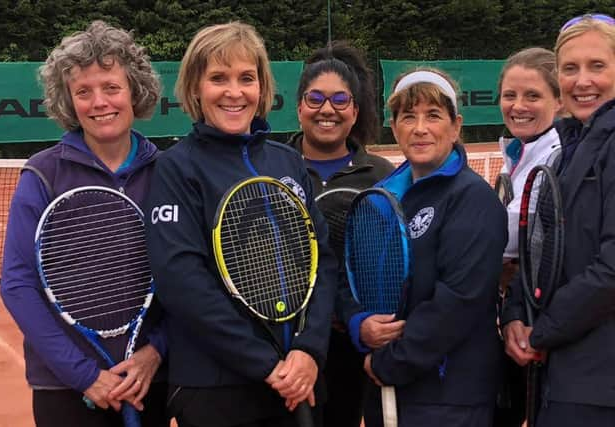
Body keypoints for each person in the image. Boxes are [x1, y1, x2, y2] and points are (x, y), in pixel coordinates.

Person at [144, 21, 336, 427]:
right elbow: (182, 283)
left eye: (246, 78)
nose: (234, 92)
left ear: (262, 88)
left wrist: (309, 350)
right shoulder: (176, 169)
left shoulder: (287, 162)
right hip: (217, 389)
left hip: (300, 379)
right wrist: (266, 365)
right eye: (218, 78)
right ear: (195, 88)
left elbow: (322, 261)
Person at [0, 21, 167, 427]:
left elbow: (188, 275)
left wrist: (156, 351)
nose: (99, 102)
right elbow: (18, 283)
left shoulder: (168, 173)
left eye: (111, 87)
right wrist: (85, 376)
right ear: (68, 101)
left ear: (134, 90)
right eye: (83, 92)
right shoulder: (41, 175)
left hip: (149, 380)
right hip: (65, 389)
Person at [354, 68, 507, 427]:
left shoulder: (473, 199)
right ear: (394, 126)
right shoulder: (382, 198)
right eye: (409, 116)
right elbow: (359, 276)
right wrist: (359, 322)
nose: (420, 128)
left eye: (433, 116)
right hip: (388, 393)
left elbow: (458, 300)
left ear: (455, 127)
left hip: (448, 398)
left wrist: (391, 361)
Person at [501, 13, 615, 427]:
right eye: (570, 68)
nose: (582, 80)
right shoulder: (568, 149)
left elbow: (612, 269)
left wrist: (541, 329)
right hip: (563, 376)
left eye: (597, 66)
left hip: (599, 386)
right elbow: (539, 246)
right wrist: (514, 313)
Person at [286, 40, 395, 427]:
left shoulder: (384, 176)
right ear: (299, 106)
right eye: (314, 98)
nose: (326, 109)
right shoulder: (272, 169)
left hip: (354, 343)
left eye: (339, 100)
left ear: (355, 110)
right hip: (288, 345)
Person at [494, 47, 563, 427]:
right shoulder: (518, 153)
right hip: (518, 315)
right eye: (510, 95)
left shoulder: (557, 156)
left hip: (543, 325)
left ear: (559, 99)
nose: (518, 106)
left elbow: (526, 242)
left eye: (533, 95)